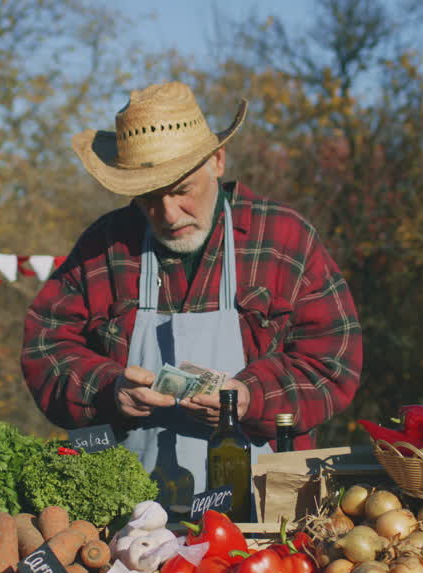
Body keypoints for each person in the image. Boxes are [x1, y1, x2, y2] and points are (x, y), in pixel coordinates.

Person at [20, 81, 362, 511]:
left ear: (217, 161)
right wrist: (109, 390)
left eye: (181, 191)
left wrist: (251, 398)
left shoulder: (284, 239)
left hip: (267, 512)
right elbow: (45, 347)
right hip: (127, 518)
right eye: (148, 199)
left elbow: (333, 362)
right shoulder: (103, 246)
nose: (167, 214)